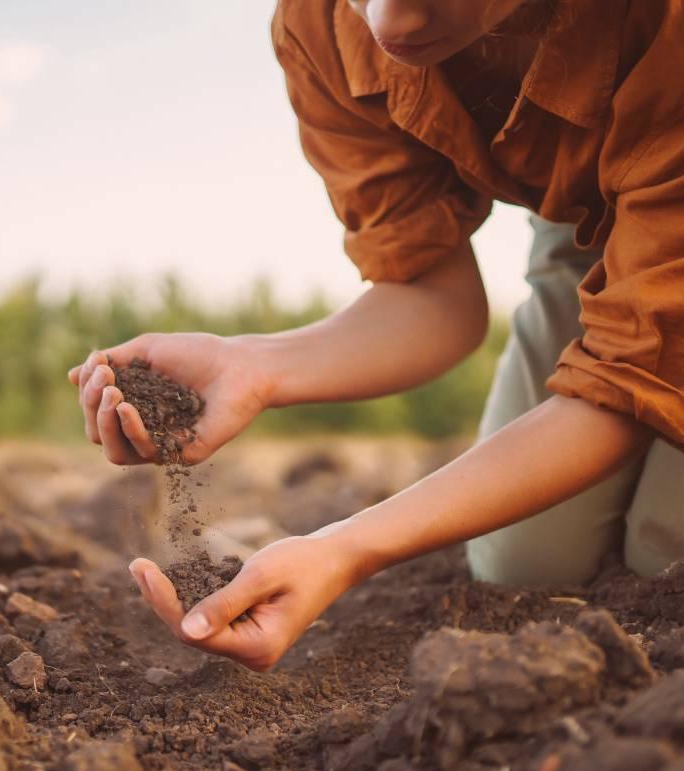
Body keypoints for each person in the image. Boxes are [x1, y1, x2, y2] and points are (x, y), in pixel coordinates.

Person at [68, 0, 684, 672]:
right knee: (528, 566)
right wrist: (256, 363)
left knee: (664, 555)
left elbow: (627, 382)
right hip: (596, 220)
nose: (388, 25)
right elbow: (432, 299)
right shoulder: (324, 24)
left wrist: (347, 547)